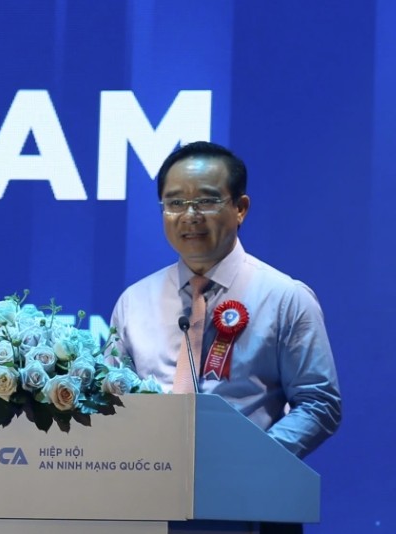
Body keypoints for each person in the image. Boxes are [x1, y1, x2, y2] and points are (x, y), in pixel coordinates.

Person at [109, 141, 342, 534]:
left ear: (240, 208)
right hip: (149, 502)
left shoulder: (285, 297)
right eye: (175, 203)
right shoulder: (135, 300)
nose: (190, 216)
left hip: (252, 506)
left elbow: (320, 402)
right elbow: (110, 398)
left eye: (206, 201)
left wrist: (255, 461)